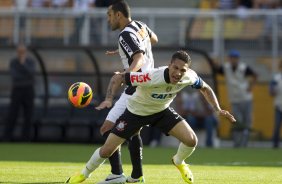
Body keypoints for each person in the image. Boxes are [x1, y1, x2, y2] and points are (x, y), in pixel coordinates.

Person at [66, 50, 236, 184]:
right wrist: (109, 99)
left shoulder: (189, 76)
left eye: (182, 70)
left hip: (161, 112)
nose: (178, 73)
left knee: (191, 140)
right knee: (107, 150)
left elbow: (205, 88)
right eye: (175, 68)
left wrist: (218, 109)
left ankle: (178, 161)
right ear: (169, 65)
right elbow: (117, 78)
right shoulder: (151, 76)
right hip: (135, 114)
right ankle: (83, 175)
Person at [67, 0, 158, 183]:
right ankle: (122, 174)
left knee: (124, 130)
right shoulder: (140, 25)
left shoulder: (124, 34)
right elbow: (153, 39)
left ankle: (130, 175)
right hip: (142, 85)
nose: (108, 20)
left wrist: (126, 74)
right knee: (111, 128)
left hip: (137, 87)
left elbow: (139, 58)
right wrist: (124, 51)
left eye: (109, 15)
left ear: (119, 15)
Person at [214, 49, 257, 147]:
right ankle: (237, 143)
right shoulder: (226, 67)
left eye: (235, 58)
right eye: (232, 58)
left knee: (246, 122)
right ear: (229, 59)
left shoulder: (244, 68)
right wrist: (215, 61)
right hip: (234, 100)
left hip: (246, 98)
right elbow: (216, 69)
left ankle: (244, 143)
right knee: (236, 121)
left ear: (238, 59)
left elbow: (255, 75)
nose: (233, 60)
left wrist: (251, 87)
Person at [3, 45, 36, 142]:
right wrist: (24, 74)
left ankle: (25, 138)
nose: (21, 53)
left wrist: (22, 64)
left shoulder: (30, 62)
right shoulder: (13, 62)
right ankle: (7, 137)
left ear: (26, 52)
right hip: (17, 90)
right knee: (12, 114)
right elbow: (15, 76)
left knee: (28, 115)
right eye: (19, 52)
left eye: (23, 51)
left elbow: (31, 73)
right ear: (17, 52)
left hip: (28, 90)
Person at [269, 60, 282, 148]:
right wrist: (273, 90)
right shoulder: (277, 78)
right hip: (279, 105)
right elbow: (271, 92)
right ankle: (275, 145)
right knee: (277, 126)